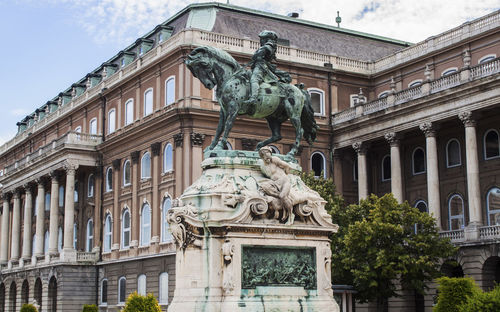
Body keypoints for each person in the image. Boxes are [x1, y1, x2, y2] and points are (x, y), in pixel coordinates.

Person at [243, 30, 291, 106]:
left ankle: (253, 98)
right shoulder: (266, 46)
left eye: (262, 39)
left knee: (254, 79)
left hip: (261, 67)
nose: (260, 41)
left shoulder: (268, 46)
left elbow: (264, 52)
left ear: (267, 39)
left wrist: (259, 54)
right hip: (257, 65)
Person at [258, 146, 294, 224]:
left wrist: (286, 175)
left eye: (269, 157)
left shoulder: (274, 159)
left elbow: (287, 166)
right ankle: (283, 203)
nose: (268, 159)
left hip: (284, 181)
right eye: (266, 158)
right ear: (262, 157)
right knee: (263, 187)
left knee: (282, 196)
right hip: (275, 183)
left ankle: (291, 215)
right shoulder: (262, 167)